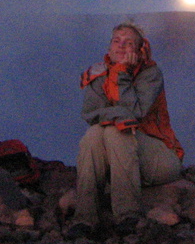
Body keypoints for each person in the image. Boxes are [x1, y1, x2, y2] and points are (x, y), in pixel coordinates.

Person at [74, 23, 184, 229]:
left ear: (139, 50)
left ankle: (128, 215)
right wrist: (115, 116)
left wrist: (122, 74)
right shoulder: (98, 75)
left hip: (159, 156)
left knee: (118, 131)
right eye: (116, 41)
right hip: (116, 156)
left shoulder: (150, 74)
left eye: (128, 43)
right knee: (93, 134)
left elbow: (134, 113)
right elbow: (90, 114)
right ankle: (85, 218)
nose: (121, 46)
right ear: (109, 47)